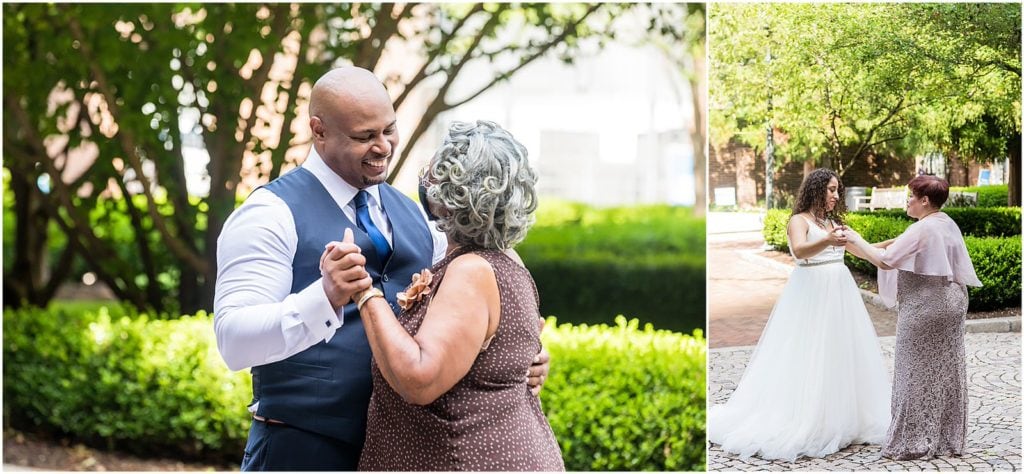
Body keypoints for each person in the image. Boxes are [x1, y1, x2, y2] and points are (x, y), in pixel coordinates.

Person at [213, 67, 550, 471]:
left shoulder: (418, 216)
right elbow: (233, 342)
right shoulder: (270, 213)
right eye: (364, 136)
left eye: (389, 129)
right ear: (318, 131)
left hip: (402, 456)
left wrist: (520, 352)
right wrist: (324, 297)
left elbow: (489, 278)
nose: (383, 146)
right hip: (302, 449)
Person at [321, 120, 564, 471]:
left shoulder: (472, 272)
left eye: (433, 174)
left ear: (452, 196)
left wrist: (363, 291)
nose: (426, 182)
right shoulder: (505, 259)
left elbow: (419, 378)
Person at [708, 168, 891, 461]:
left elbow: (862, 251)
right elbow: (800, 250)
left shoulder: (833, 223)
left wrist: (897, 244)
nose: (835, 195)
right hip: (812, 291)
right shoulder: (799, 221)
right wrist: (828, 241)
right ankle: (808, 417)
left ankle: (841, 416)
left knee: (839, 352)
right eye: (831, 190)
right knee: (809, 351)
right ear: (816, 189)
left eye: (837, 191)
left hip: (840, 294)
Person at [845, 175, 981, 460]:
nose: (907, 200)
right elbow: (894, 246)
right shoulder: (943, 223)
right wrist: (858, 247)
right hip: (952, 305)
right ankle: (946, 438)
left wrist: (856, 238)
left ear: (924, 201)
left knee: (913, 372)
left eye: (911, 196)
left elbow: (885, 260)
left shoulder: (922, 230)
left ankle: (912, 441)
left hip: (925, 309)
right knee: (945, 372)